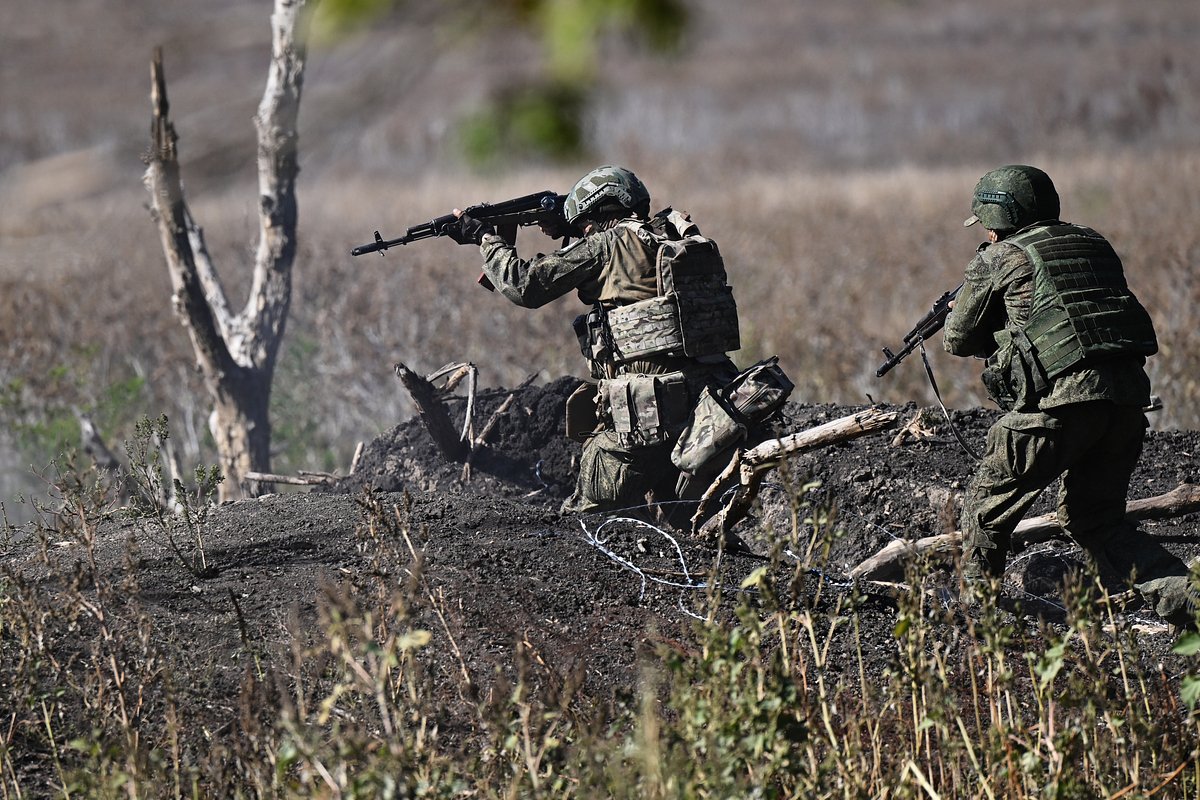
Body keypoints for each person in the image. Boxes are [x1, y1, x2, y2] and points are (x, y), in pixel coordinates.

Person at [944, 164, 1194, 626]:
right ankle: (1189, 599)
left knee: (984, 507)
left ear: (997, 219)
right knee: (1097, 521)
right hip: (1125, 405)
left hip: (1061, 405)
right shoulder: (1093, 243)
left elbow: (957, 339)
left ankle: (976, 616)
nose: (987, 234)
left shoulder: (998, 257)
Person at [443, 165, 745, 518]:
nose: (583, 231)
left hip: (649, 416)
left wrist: (485, 239)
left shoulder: (605, 243)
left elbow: (524, 286)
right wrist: (573, 227)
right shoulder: (678, 237)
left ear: (601, 209)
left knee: (585, 521)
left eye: (584, 224)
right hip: (711, 405)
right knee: (688, 519)